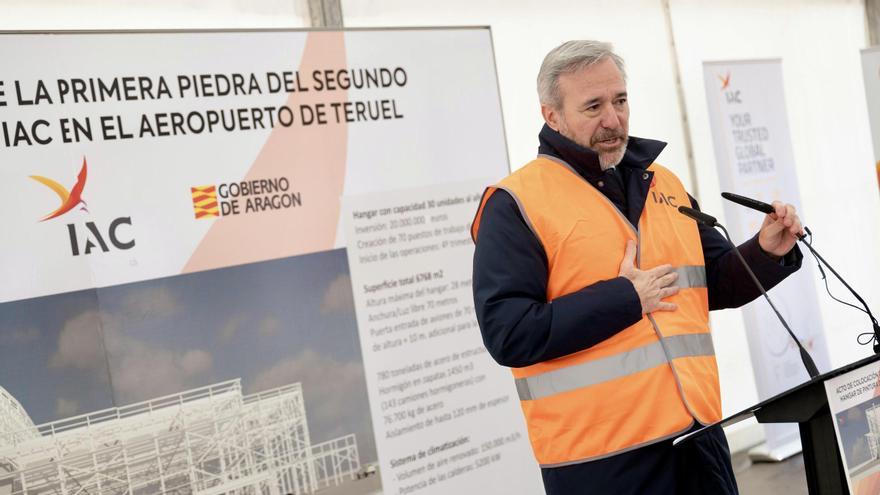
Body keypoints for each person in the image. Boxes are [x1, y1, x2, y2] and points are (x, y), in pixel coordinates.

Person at [471, 40, 805, 495]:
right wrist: (625, 298)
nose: (613, 119)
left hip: (698, 438)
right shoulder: (516, 204)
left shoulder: (663, 183)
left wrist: (766, 251)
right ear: (552, 115)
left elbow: (714, 282)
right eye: (593, 106)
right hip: (602, 463)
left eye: (620, 100)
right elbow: (508, 333)